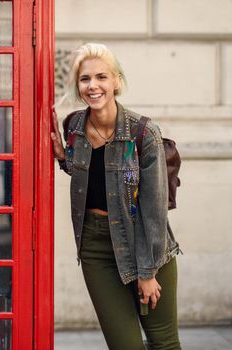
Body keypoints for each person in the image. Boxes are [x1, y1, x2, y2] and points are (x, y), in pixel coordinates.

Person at [51, 43, 181, 350]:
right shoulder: (74, 126)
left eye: (101, 77)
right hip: (96, 247)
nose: (93, 86)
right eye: (85, 79)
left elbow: (154, 208)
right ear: (78, 85)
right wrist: (62, 158)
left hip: (145, 244)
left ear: (116, 82)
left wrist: (147, 273)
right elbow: (95, 178)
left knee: (163, 343)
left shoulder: (142, 133)